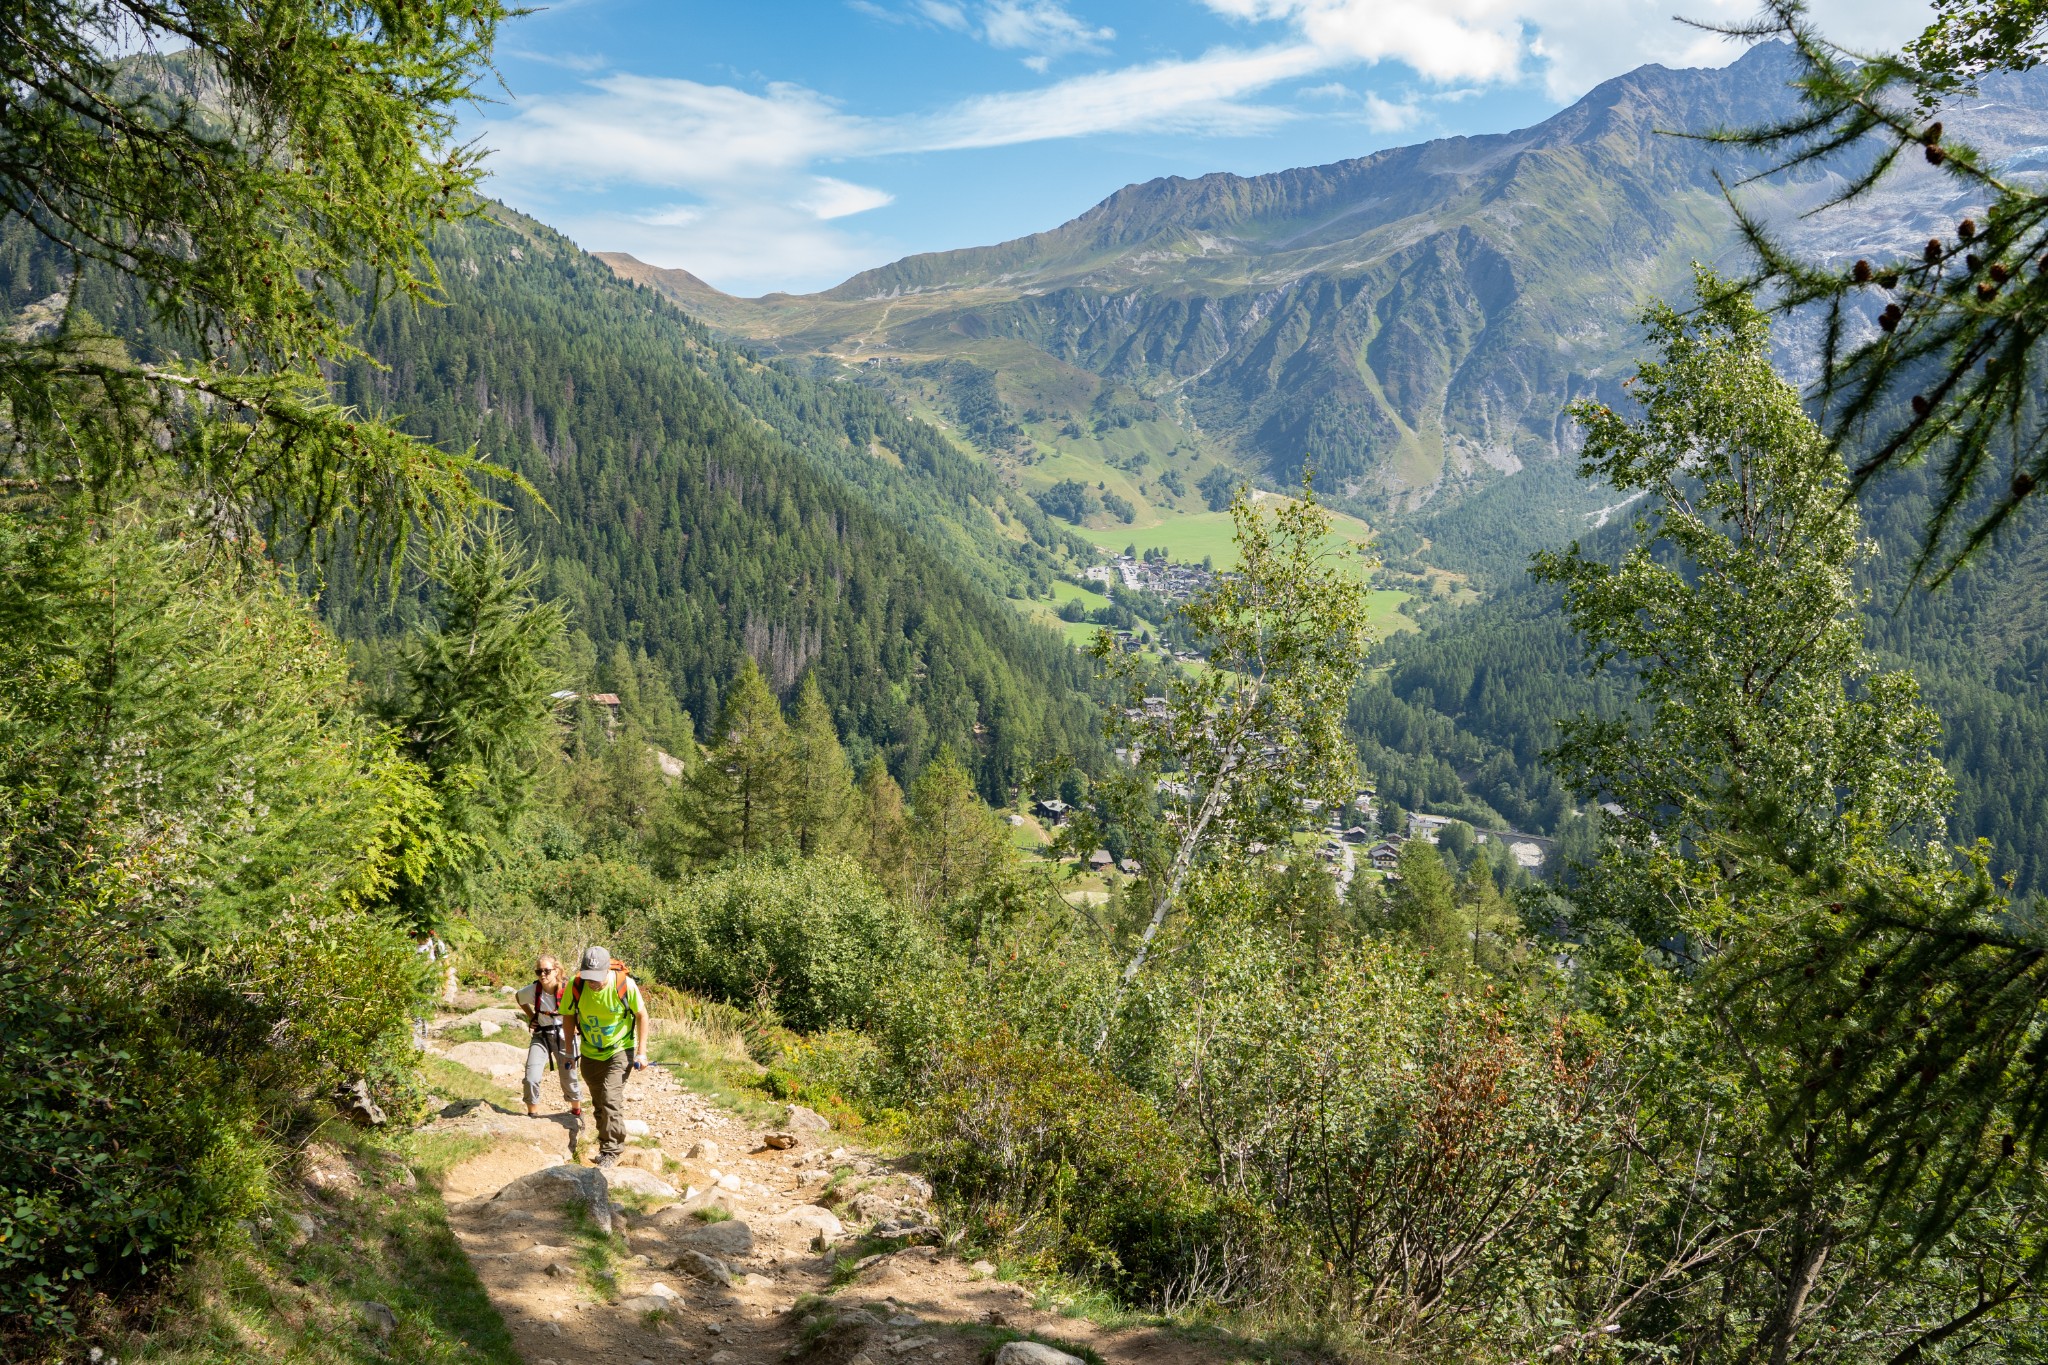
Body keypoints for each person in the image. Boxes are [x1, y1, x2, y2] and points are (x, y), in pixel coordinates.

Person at [563, 944, 648, 1168]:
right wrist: (569, 1051)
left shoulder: (624, 985)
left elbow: (642, 1015)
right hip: (590, 1051)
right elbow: (569, 1016)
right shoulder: (576, 986)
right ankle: (605, 1145)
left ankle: (612, 1149)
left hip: (620, 1049)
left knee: (611, 1098)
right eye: (589, 977)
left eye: (598, 977)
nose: (594, 982)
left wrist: (641, 1052)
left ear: (606, 971)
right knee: (599, 1101)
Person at [514, 956, 584, 1120]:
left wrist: (576, 1024)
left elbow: (581, 1007)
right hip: (542, 1035)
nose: (542, 974)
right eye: (539, 971)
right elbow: (519, 997)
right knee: (531, 1077)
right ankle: (532, 1114)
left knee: (569, 1075)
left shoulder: (568, 989)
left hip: (565, 1035)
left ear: (557, 970)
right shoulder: (533, 990)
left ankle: (576, 1111)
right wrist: (532, 1016)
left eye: (547, 970)